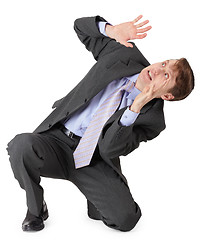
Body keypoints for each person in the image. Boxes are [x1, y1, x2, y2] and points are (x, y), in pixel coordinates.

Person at [7, 15, 194, 232]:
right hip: (56, 140)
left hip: (94, 158)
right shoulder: (125, 53)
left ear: (167, 96)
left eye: (166, 75)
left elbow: (111, 148)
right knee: (20, 146)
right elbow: (80, 27)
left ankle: (94, 198)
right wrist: (110, 30)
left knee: (125, 220)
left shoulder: (152, 121)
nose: (157, 69)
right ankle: (36, 209)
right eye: (164, 63)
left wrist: (135, 107)